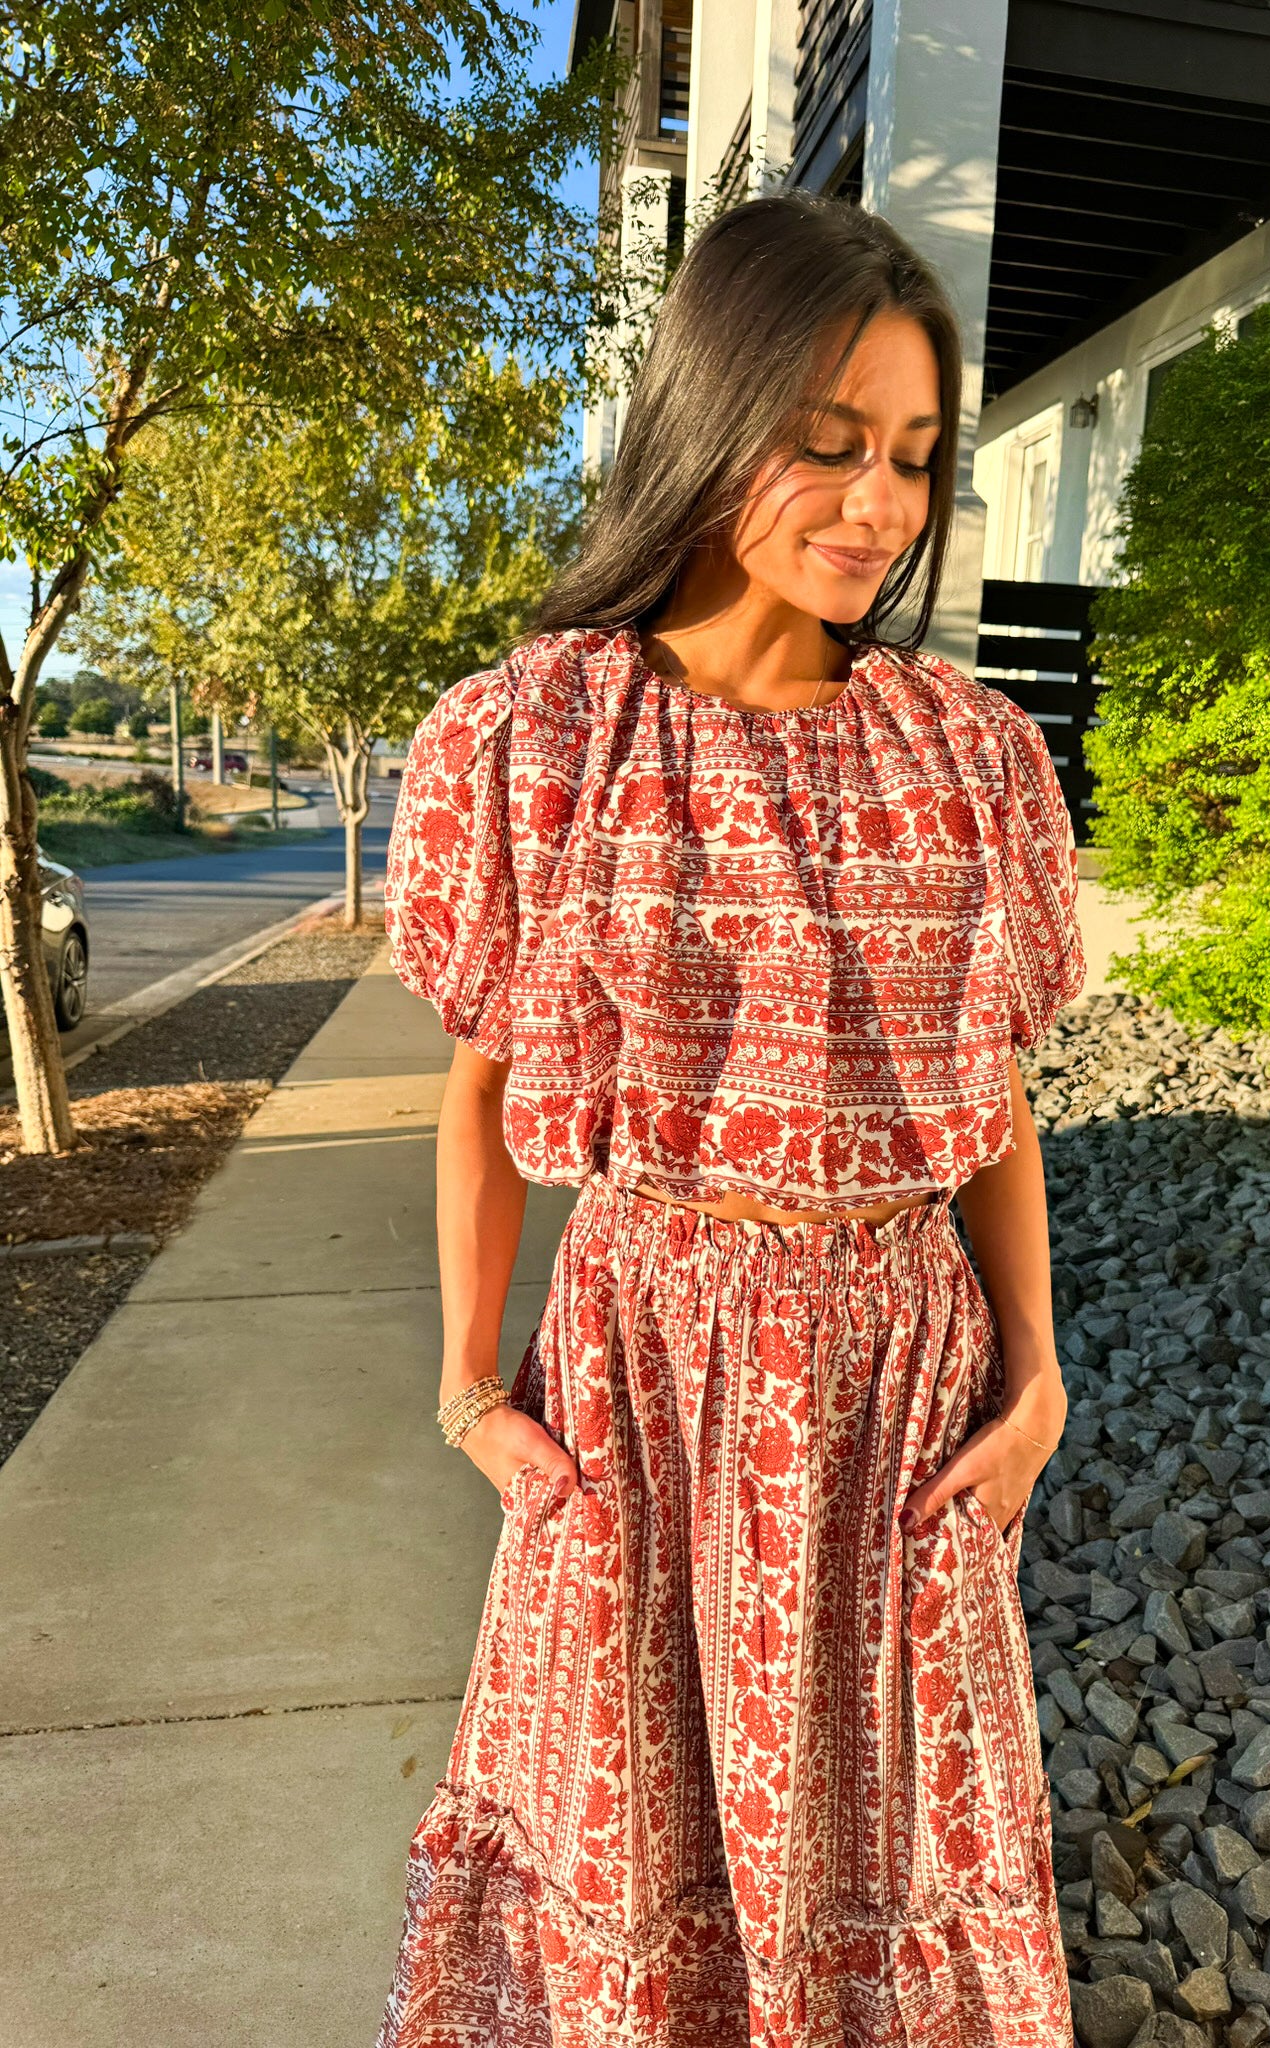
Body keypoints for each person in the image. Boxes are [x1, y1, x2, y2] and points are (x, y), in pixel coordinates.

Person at [375, 190, 1084, 2048]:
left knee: (895, 1867)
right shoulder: (537, 739)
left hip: (894, 1391)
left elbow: (988, 1092)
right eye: (830, 444)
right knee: (631, 1875)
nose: (880, 507)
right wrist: (470, 1391)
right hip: (642, 1373)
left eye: (916, 459)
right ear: (711, 418)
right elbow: (482, 1093)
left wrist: (1039, 1382)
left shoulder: (975, 756)